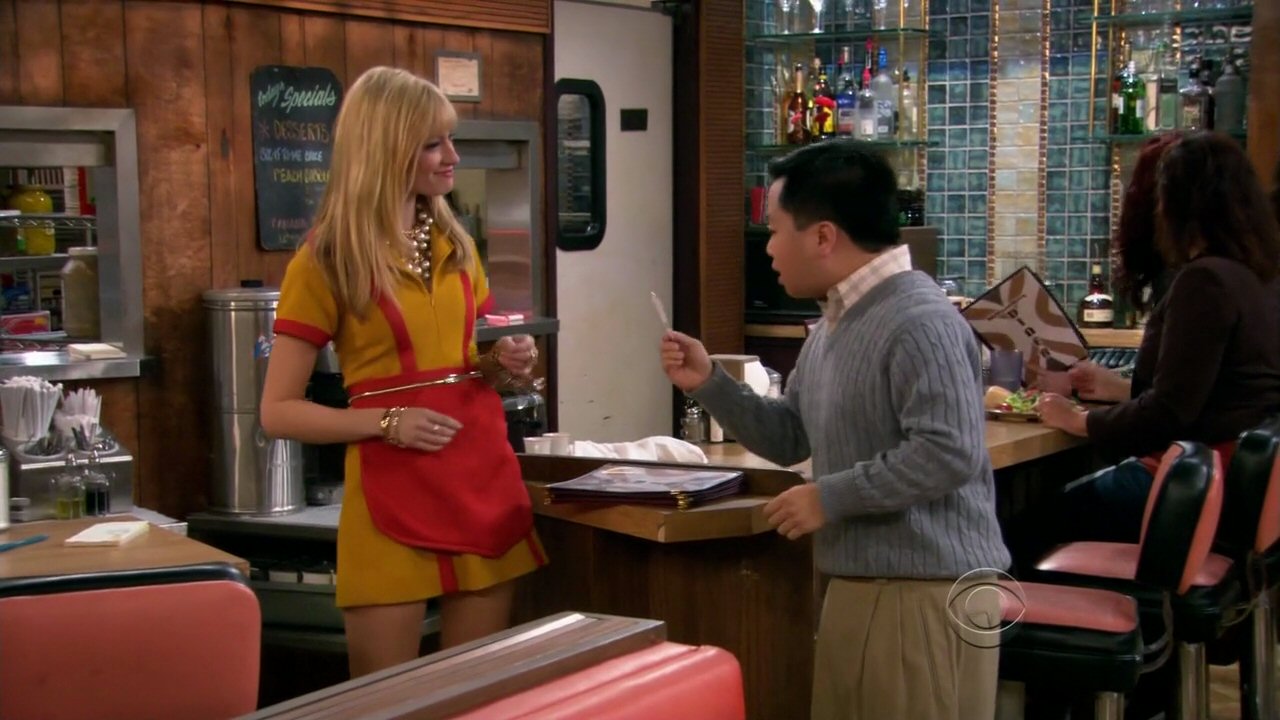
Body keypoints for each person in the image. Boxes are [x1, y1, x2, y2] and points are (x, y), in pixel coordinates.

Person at [659, 140, 1010, 720]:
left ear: (823, 236)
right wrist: (710, 383)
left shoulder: (920, 317)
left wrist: (830, 498)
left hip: (922, 589)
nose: (768, 247)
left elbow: (948, 451)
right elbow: (791, 436)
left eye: (776, 230)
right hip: (867, 584)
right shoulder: (835, 323)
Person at [260, 66, 547, 678]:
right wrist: (387, 422)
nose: (453, 157)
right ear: (386, 148)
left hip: (478, 477)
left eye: (451, 139)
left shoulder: (457, 246)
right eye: (433, 143)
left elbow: (473, 363)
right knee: (385, 701)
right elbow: (277, 411)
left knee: (474, 696)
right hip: (391, 489)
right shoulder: (325, 260)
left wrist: (506, 362)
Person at [1021, 131, 1280, 570]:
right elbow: (1217, 389)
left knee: (1023, 526)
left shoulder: (1206, 280)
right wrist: (1119, 391)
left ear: (1176, 205)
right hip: (1238, 487)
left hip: (1195, 485)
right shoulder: (1261, 277)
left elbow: (1169, 413)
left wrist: (1078, 420)